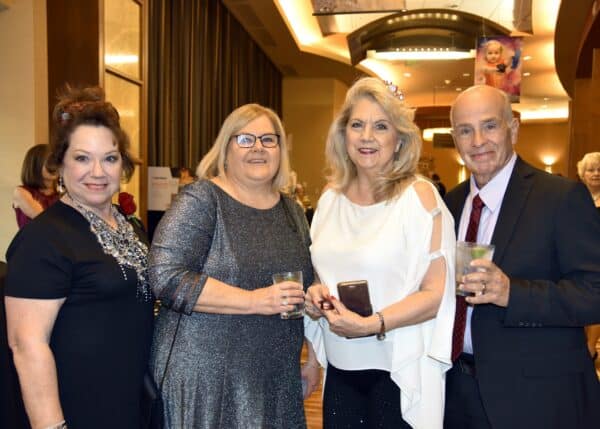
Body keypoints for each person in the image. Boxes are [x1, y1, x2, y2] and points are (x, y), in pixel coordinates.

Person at [148, 103, 317, 428]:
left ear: (281, 150)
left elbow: (301, 289)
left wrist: (313, 357)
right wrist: (254, 300)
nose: (258, 148)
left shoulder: (292, 212)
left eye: (269, 140)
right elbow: (165, 276)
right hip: (207, 378)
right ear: (225, 148)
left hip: (275, 376)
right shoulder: (201, 200)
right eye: (245, 139)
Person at [444, 85, 600, 429]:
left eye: (489, 126)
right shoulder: (449, 206)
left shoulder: (560, 198)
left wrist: (513, 293)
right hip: (455, 394)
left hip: (536, 400)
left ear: (513, 128)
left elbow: (594, 292)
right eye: (465, 131)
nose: (477, 141)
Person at [304, 77, 456, 428]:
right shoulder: (330, 198)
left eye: (381, 126)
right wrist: (315, 296)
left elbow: (436, 294)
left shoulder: (420, 198)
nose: (367, 136)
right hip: (341, 368)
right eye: (357, 125)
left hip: (398, 370)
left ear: (399, 139)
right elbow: (321, 274)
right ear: (344, 135)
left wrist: (372, 324)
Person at [4, 86, 154, 429]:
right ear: (60, 164)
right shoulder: (43, 239)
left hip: (129, 404)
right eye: (82, 158)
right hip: (75, 410)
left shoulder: (130, 225)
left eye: (110, 158)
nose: (97, 172)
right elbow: (27, 345)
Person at [577, 152, 600, 362]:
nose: (595, 173)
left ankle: (591, 347)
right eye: (591, 169)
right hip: (582, 254)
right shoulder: (575, 197)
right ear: (582, 174)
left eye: (599, 169)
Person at [12, 143, 59, 228]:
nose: (54, 166)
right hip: (32, 241)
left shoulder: (63, 195)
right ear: (35, 165)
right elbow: (43, 219)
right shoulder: (21, 192)